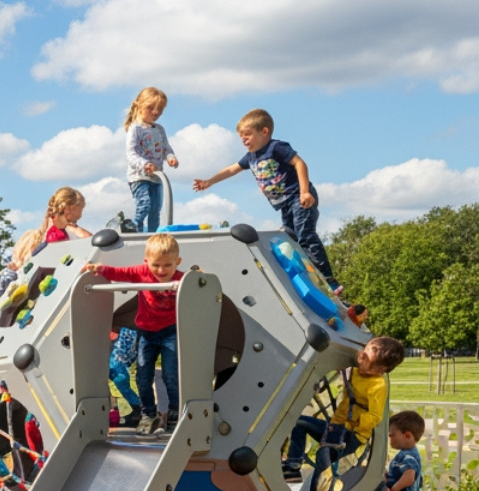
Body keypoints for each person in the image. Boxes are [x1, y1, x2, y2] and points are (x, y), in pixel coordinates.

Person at [192, 108, 341, 294]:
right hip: (284, 205)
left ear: (264, 131)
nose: (244, 140)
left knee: (305, 236)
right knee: (289, 238)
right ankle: (307, 277)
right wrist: (209, 181)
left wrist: (304, 192)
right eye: (241, 137)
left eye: (248, 135)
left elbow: (300, 163)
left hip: (299, 197)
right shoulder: (250, 157)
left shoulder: (275, 147)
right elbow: (232, 169)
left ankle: (329, 280)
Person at [85, 232, 183, 434]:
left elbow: (196, 285)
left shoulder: (180, 279)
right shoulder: (142, 272)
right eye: (156, 265)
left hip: (170, 332)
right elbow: (119, 273)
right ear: (147, 262)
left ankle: (175, 413)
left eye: (168, 265)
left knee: (171, 375)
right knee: (142, 376)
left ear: (177, 262)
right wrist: (98, 269)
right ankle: (148, 413)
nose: (161, 270)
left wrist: (197, 279)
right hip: (146, 333)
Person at [281, 335, 405, 482]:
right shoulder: (354, 371)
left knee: (323, 457)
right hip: (335, 426)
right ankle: (293, 465)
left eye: (371, 364)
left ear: (382, 370)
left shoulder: (378, 385)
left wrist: (356, 421)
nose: (362, 360)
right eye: (363, 355)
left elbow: (375, 416)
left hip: (351, 434)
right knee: (299, 423)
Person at [123, 87, 178, 233]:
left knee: (155, 209)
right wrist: (144, 164)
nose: (155, 112)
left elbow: (166, 148)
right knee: (144, 204)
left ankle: (153, 234)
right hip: (139, 176)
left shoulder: (159, 129)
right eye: (151, 108)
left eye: (159, 109)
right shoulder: (135, 128)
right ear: (139, 106)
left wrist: (170, 157)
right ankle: (135, 229)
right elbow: (131, 153)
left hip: (156, 177)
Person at [110, 327, 142, 427]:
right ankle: (137, 409)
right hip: (122, 334)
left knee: (117, 374)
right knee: (116, 374)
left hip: (123, 334)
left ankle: (139, 410)